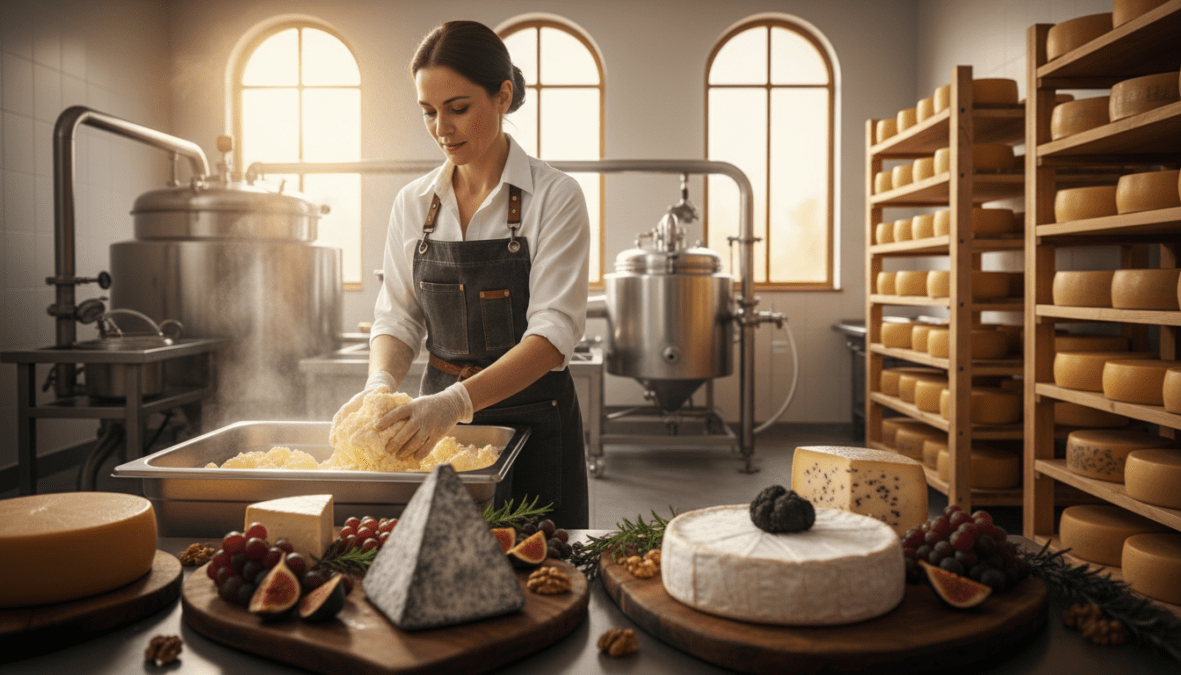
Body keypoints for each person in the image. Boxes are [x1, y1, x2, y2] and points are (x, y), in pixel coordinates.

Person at [336, 20, 590, 528]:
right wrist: (380, 382)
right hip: (438, 430)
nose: (441, 129)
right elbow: (398, 317)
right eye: (428, 112)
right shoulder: (414, 202)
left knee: (543, 581)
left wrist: (455, 402)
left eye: (458, 109)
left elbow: (552, 335)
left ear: (502, 96)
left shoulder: (555, 197)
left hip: (535, 420)